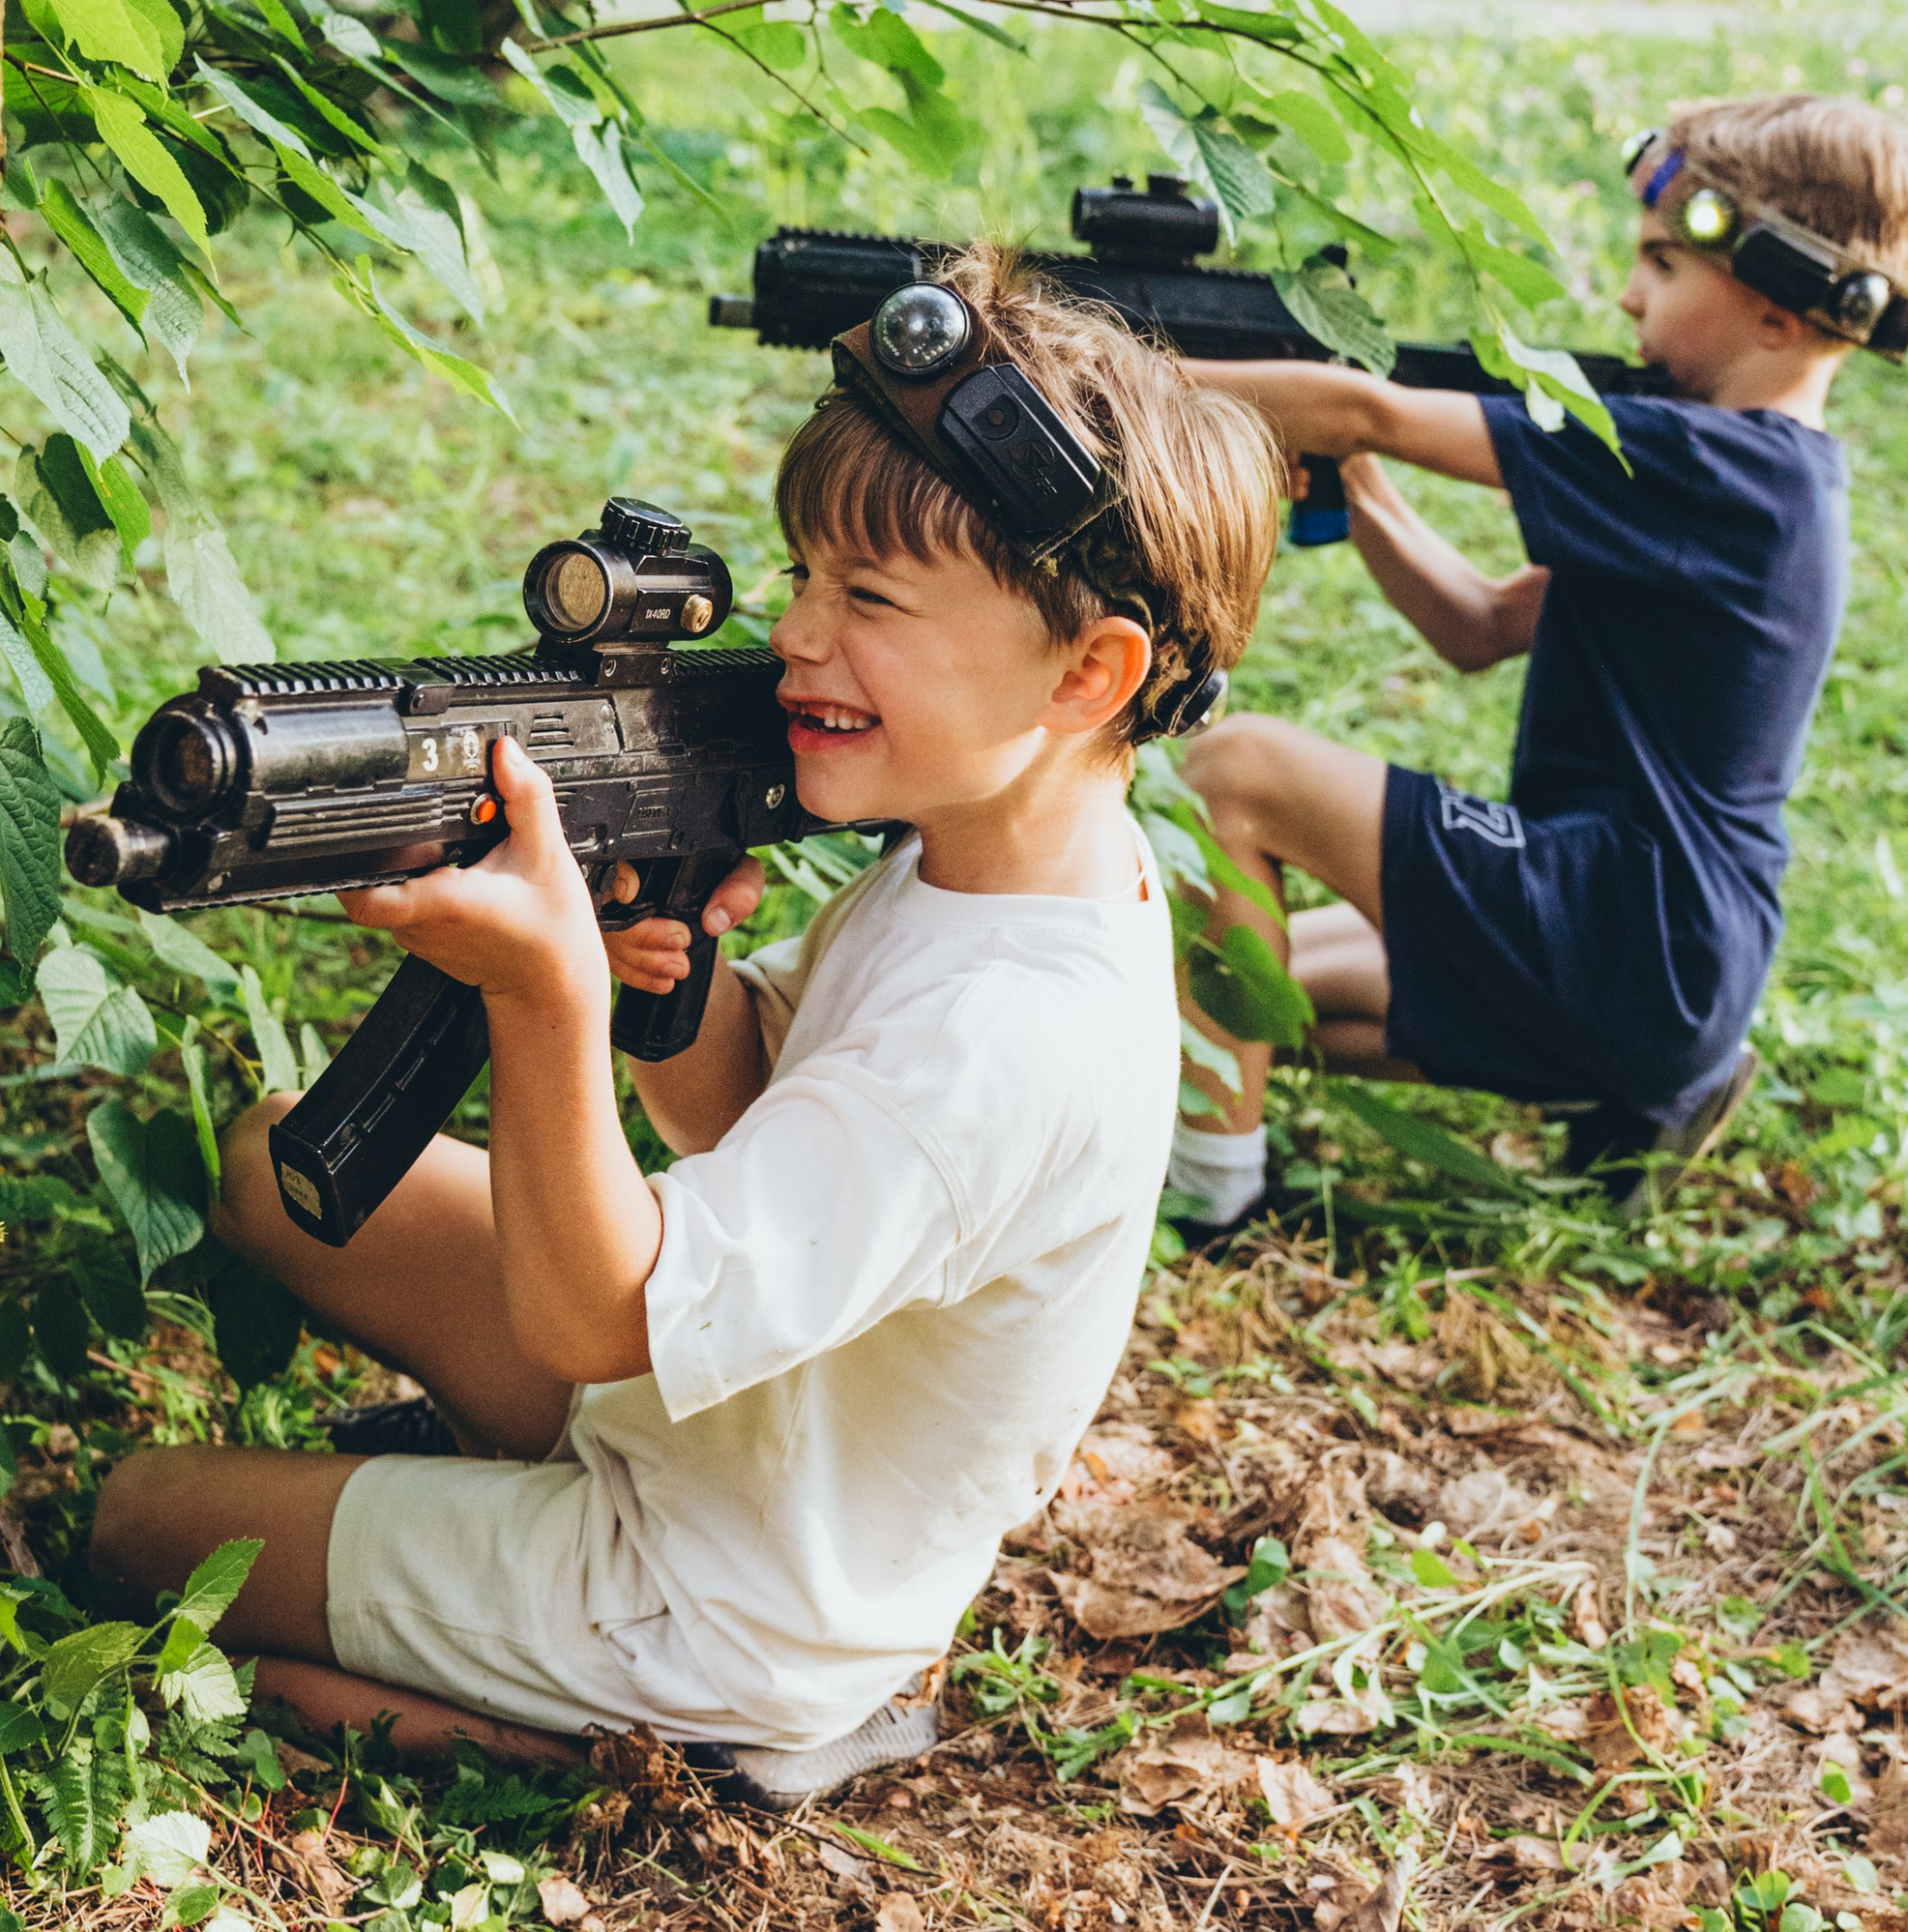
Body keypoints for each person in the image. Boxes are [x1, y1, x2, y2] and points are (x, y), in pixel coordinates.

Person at [91, 251, 1279, 1796]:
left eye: (872, 599)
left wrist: (547, 990)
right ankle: (498, 1556)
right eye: (801, 577)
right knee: (269, 1171)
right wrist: (677, 995)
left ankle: (683, 1741)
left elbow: (595, 1315)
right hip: (734, 1422)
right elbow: (750, 1111)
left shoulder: (1008, 1043)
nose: (795, 634)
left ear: (1088, 673)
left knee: (134, 1525)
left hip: (725, 1591)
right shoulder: (994, 865)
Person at [1162, 94, 1908, 1229]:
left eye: (1662, 265)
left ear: (1777, 307)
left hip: (1629, 921)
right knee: (1231, 978)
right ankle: (1640, 1085)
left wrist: (1110, 378)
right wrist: (1354, 484)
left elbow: (1368, 409)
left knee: (1233, 772)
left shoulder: (1713, 465)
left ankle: (1212, 1199)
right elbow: (1475, 626)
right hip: (1650, 953)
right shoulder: (1757, 482)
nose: (1629, 297)